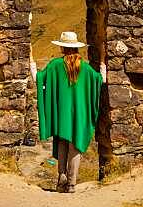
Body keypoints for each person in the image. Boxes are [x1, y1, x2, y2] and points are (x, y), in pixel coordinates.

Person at [33, 31, 103, 193]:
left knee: (62, 143)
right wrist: (103, 66)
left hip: (62, 113)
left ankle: (61, 178)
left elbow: (39, 78)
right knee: (75, 145)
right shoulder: (84, 67)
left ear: (63, 47)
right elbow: (100, 80)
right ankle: (71, 183)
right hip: (79, 113)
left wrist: (32, 65)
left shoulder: (55, 65)